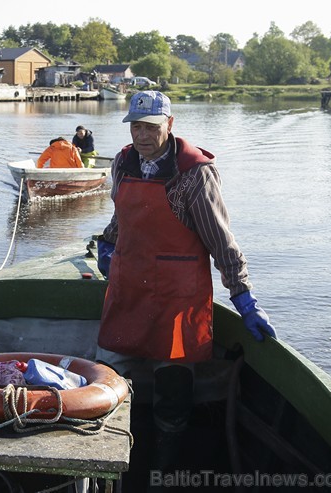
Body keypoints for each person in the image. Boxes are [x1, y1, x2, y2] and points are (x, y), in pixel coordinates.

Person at [95, 90, 276, 474]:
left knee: (173, 389)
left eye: (151, 127)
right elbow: (120, 217)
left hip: (177, 300)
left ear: (170, 125)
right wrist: (108, 245)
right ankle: (106, 464)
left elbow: (222, 243)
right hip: (128, 290)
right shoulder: (123, 162)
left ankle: (162, 468)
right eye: (136, 126)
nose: (142, 136)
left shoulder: (194, 173)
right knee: (104, 377)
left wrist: (243, 296)